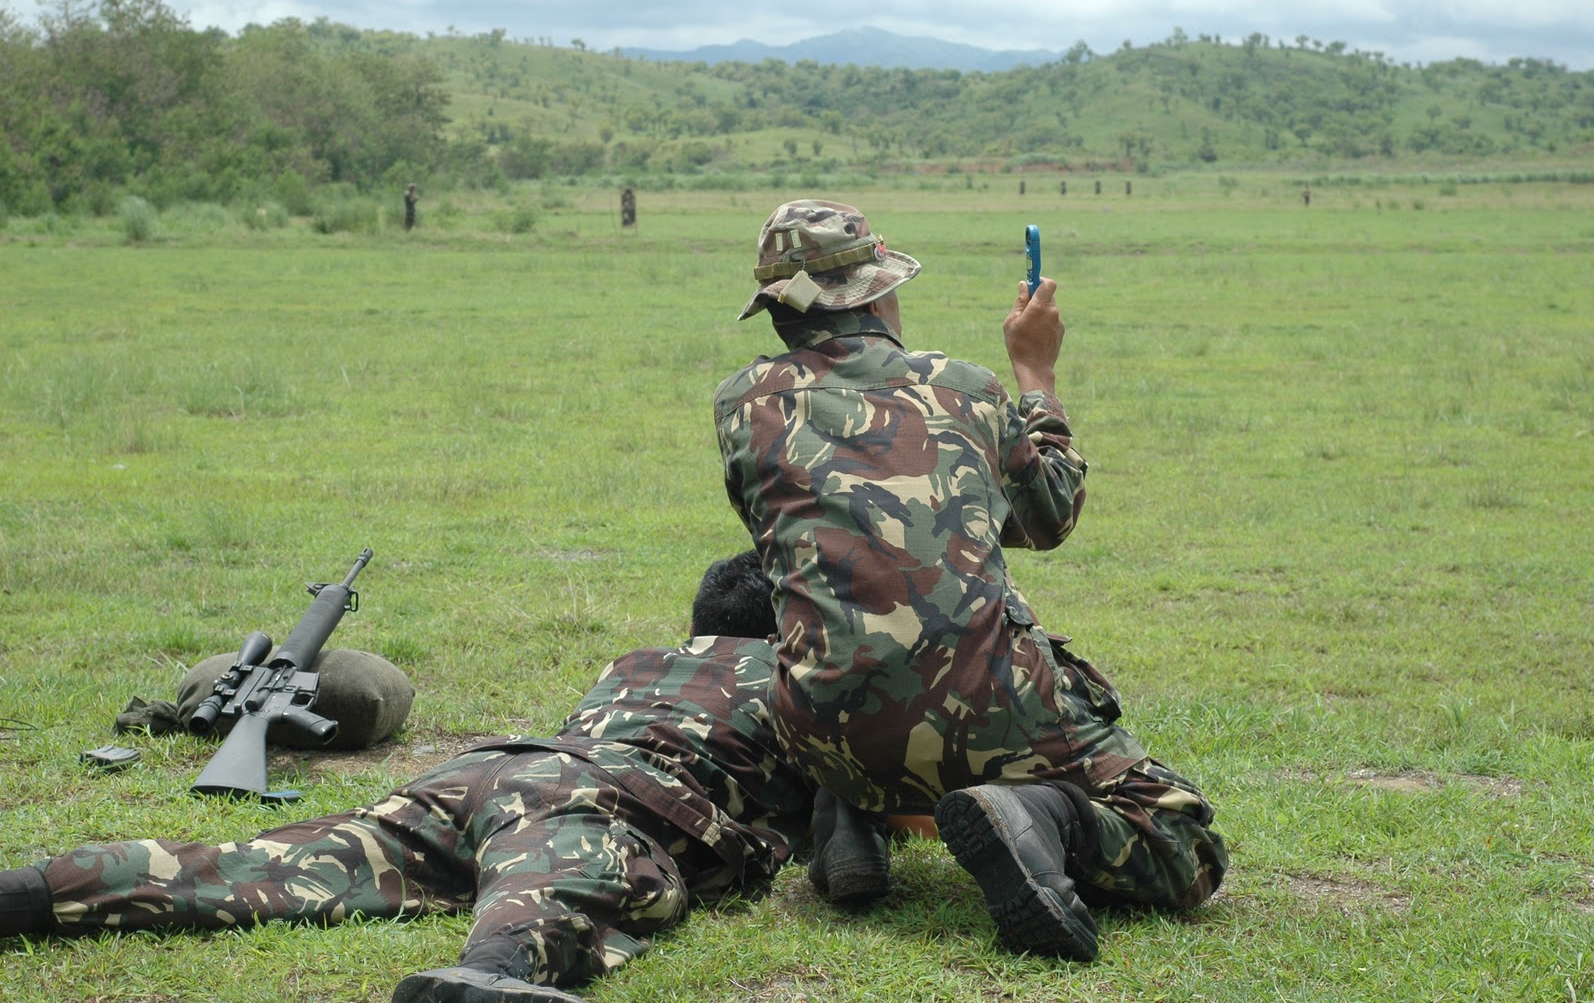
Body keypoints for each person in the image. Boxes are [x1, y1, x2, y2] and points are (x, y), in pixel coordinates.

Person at [714, 200, 1227, 961]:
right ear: (875, 295)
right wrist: (1037, 374)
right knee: (1185, 842)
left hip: (820, 726)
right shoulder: (966, 389)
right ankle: (1041, 815)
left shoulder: (740, 404)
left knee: (847, 646)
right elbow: (1047, 517)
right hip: (986, 711)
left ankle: (849, 809)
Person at [0, 553, 812, 1003]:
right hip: (596, 800)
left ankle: (40, 890)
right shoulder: (799, 682)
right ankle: (486, 980)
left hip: (482, 774)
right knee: (558, 882)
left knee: (259, 866)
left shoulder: (635, 663)